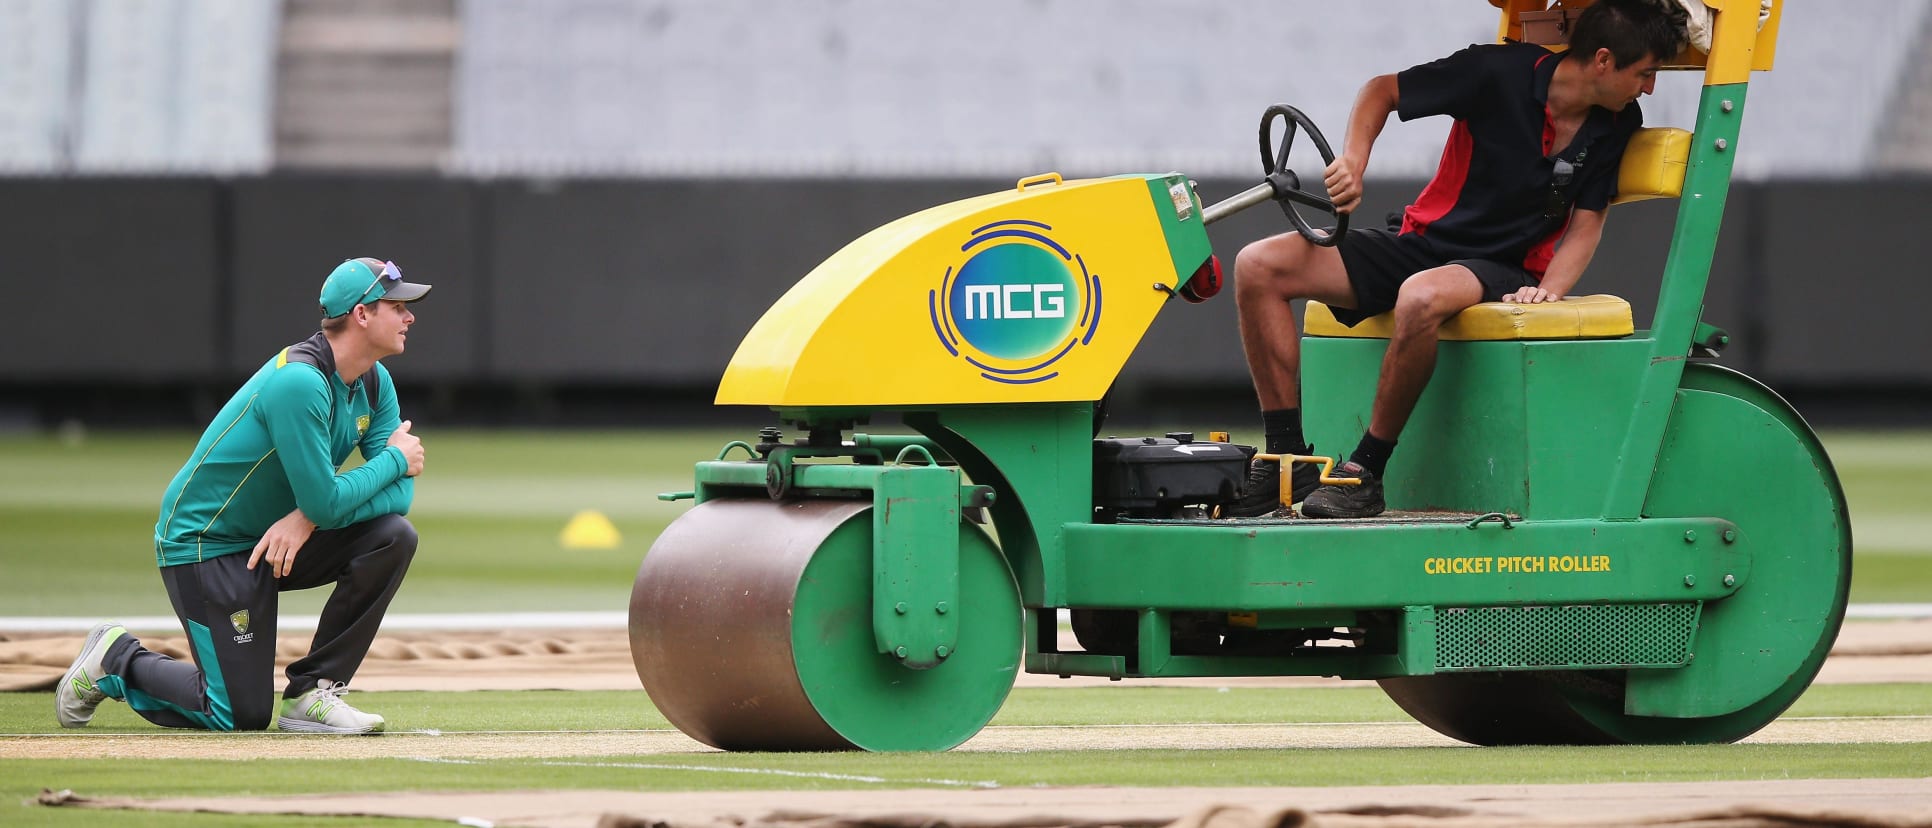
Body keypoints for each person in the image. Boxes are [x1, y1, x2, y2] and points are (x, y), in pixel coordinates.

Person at [1225, 0, 1688, 519]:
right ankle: (1287, 461)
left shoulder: (1618, 122)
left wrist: (1550, 291)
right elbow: (1382, 91)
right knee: (1256, 265)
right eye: (1645, 74)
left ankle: (1364, 473)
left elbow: (1586, 223)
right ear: (1603, 61)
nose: (1649, 88)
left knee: (1420, 296)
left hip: (1504, 268)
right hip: (1420, 245)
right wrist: (1354, 159)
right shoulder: (1495, 72)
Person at [56, 257, 432, 733]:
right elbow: (365, 486)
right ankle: (116, 658)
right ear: (362, 315)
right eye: (397, 306)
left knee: (393, 535)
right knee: (237, 714)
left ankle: (314, 693)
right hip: (206, 542)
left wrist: (307, 518)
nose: (410, 316)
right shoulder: (300, 383)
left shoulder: (375, 382)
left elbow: (398, 501)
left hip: (276, 538)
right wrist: (393, 461)